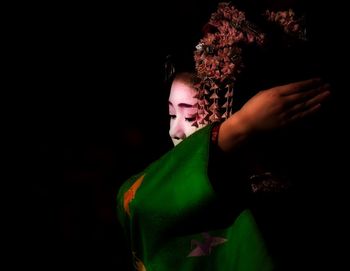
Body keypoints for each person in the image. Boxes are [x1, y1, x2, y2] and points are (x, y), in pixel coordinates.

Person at [117, 2, 333, 270]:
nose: (176, 130)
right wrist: (240, 126)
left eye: (192, 116)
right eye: (172, 115)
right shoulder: (157, 192)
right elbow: (139, 203)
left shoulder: (278, 199)